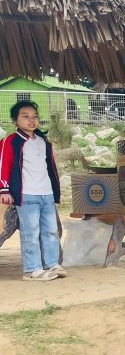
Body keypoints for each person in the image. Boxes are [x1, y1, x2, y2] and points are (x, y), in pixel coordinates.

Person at [1, 100, 65, 281]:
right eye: (26, 116)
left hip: (46, 193)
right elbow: (3, 165)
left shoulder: (44, 141)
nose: (31, 120)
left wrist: (54, 190)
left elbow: (50, 167)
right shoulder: (11, 141)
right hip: (26, 194)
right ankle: (32, 270)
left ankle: (52, 264)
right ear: (15, 120)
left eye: (35, 116)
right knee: (31, 233)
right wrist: (4, 190)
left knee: (51, 231)